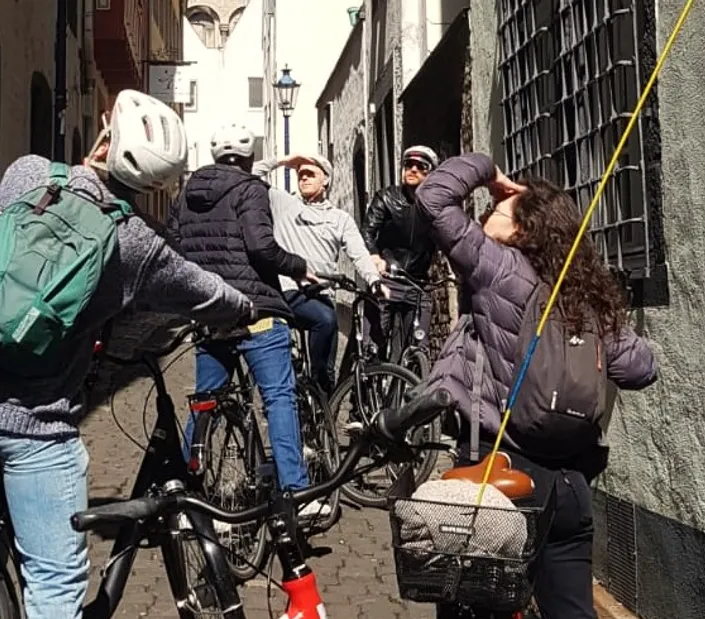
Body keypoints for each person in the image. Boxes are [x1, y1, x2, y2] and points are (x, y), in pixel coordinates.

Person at [0, 90, 254, 619]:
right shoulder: (135, 244)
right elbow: (205, 292)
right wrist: (244, 308)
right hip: (28, 426)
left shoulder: (27, 173)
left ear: (105, 135)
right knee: (55, 582)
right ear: (154, 185)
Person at [417, 152, 657, 619]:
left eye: (498, 209)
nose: (487, 211)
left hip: (497, 475)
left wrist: (489, 171)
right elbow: (641, 369)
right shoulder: (585, 293)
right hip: (569, 484)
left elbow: (433, 197)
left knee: (468, 605)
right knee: (571, 610)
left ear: (523, 231)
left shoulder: (495, 268)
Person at [167, 123, 329, 519]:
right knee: (277, 397)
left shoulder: (186, 192)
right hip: (256, 309)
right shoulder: (249, 189)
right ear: (249, 157)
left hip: (210, 310)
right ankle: (296, 491)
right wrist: (299, 266)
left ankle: (183, 496)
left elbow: (173, 245)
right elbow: (261, 246)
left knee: (205, 403)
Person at [252, 153, 387, 394]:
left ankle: (324, 404)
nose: (303, 178)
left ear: (326, 180)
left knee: (329, 355)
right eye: (300, 174)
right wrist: (284, 160)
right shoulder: (283, 203)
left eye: (310, 174)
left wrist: (374, 280)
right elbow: (250, 175)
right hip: (290, 291)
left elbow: (358, 252)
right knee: (324, 321)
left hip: (324, 293)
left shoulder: (339, 219)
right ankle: (312, 385)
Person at [360, 145, 440, 359]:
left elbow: (450, 238)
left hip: (418, 283)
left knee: (419, 347)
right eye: (408, 165)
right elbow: (367, 231)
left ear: (431, 173)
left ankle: (410, 386)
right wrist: (375, 257)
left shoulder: (436, 207)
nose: (413, 170)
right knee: (372, 347)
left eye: (421, 166)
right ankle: (369, 387)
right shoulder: (386, 198)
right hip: (388, 280)